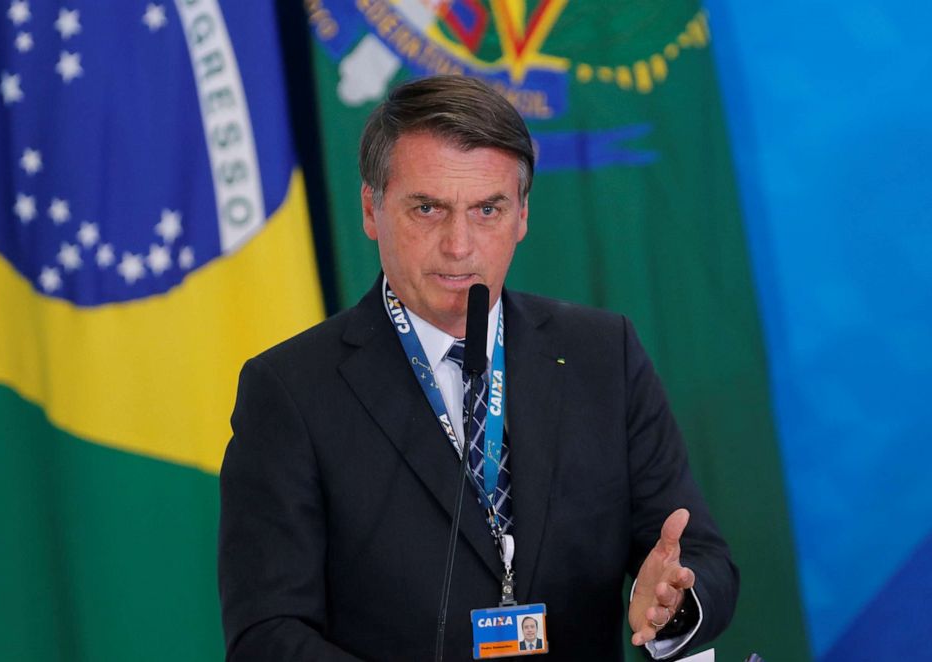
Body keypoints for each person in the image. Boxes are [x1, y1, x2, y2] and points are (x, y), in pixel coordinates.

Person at [218, 75, 738, 661]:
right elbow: (267, 634)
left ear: (521, 216)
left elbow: (699, 557)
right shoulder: (289, 390)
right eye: (428, 208)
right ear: (371, 209)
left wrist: (673, 604)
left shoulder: (602, 354)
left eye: (487, 210)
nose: (459, 245)